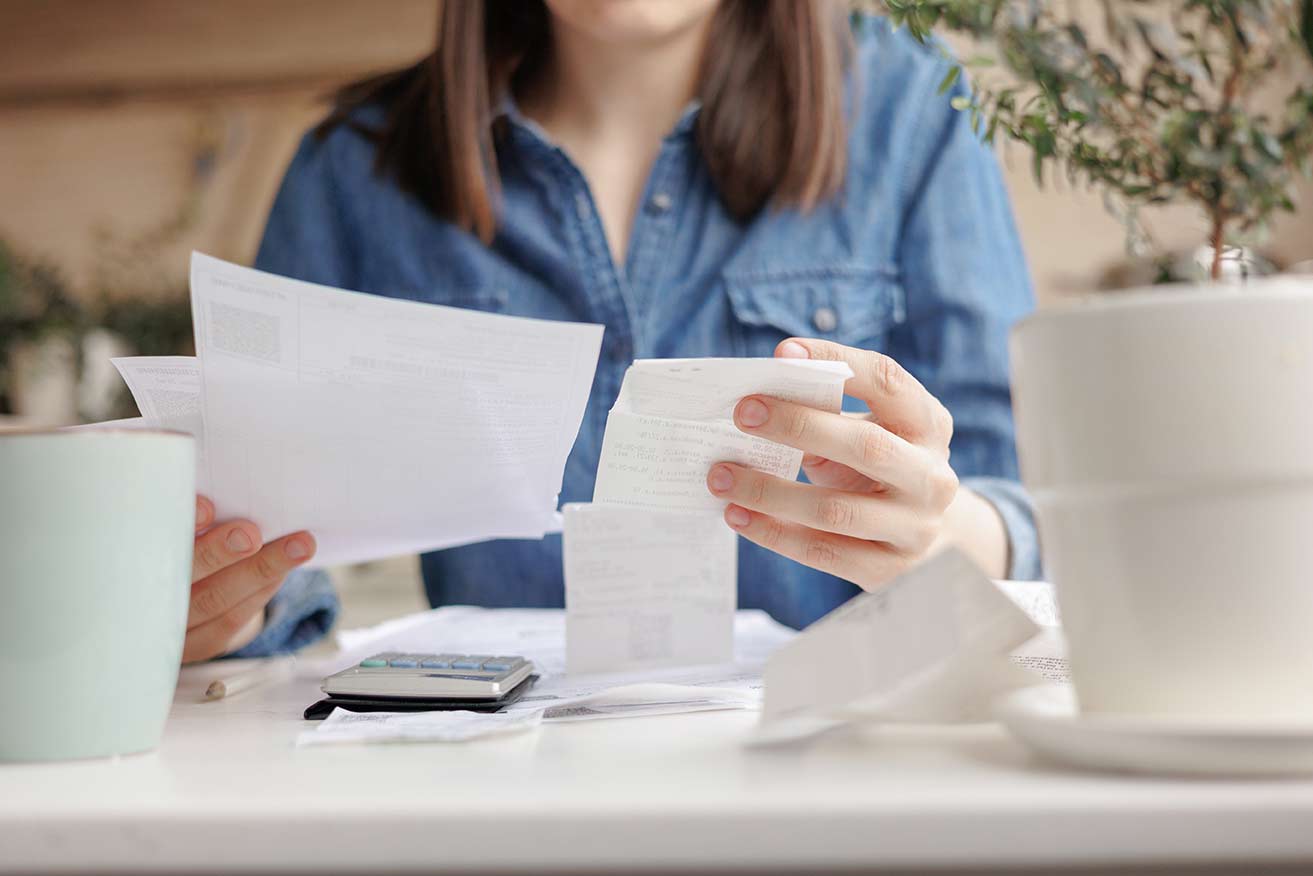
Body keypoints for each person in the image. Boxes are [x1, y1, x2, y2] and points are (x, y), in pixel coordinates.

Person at [181, 0, 1041, 663]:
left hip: (842, 781)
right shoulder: (351, 172)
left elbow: (1030, 512)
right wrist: (226, 605)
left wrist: (944, 536)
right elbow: (265, 554)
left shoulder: (910, 109)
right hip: (505, 799)